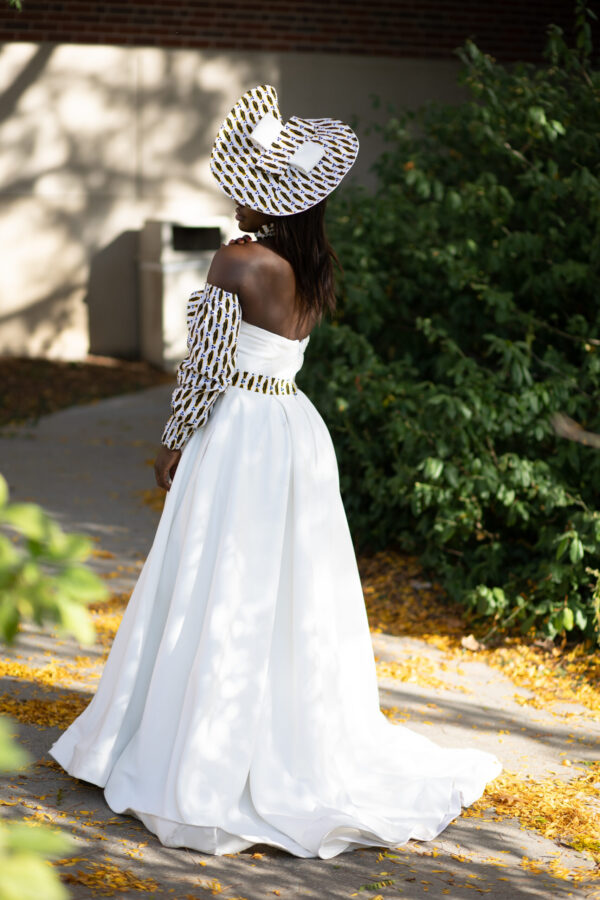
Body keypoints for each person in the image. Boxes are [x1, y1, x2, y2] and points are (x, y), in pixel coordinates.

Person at [49, 85, 501, 859]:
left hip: (239, 434)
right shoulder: (308, 263)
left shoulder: (237, 260)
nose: (233, 199)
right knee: (288, 585)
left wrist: (175, 441)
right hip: (293, 427)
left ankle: (193, 744)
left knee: (214, 575)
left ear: (266, 197)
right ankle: (279, 732)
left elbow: (205, 369)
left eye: (242, 188)